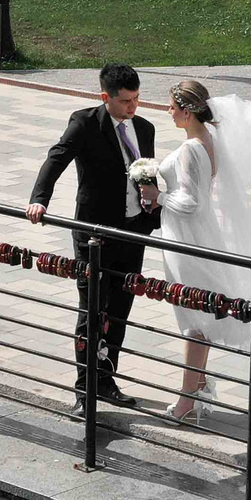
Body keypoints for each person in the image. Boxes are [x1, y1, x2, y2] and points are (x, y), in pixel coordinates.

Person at [27, 64, 158, 411]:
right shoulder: (85, 123)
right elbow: (57, 158)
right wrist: (39, 200)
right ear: (106, 98)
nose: (133, 107)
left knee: (119, 310)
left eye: (137, 98)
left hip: (133, 232)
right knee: (92, 311)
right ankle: (85, 390)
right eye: (126, 101)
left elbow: (148, 174)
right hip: (95, 235)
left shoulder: (145, 128)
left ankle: (106, 378)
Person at [151, 80, 251, 421]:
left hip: (186, 238)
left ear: (187, 111)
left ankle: (187, 399)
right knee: (197, 313)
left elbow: (191, 202)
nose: (169, 111)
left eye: (172, 106)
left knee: (192, 316)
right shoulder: (207, 141)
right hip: (198, 234)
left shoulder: (192, 147)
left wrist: (156, 196)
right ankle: (198, 385)